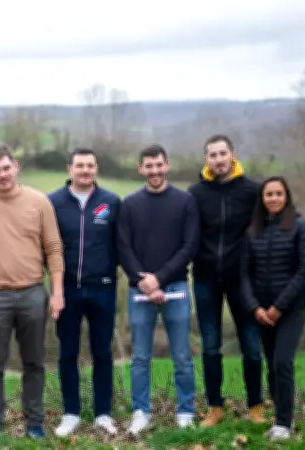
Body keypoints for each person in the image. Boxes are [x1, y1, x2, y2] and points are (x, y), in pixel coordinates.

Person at [0, 144, 65, 440]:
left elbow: (54, 249)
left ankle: (34, 424)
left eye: (6, 168)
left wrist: (56, 291)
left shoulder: (39, 201)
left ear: (16, 167)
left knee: (34, 363)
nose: (2, 174)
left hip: (33, 293)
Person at [117, 144, 200, 436]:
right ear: (140, 168)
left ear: (167, 165)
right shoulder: (129, 204)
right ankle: (141, 413)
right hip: (139, 290)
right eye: (148, 166)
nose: (154, 171)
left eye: (158, 165)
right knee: (140, 357)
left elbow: (189, 246)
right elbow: (123, 248)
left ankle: (186, 412)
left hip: (176, 288)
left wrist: (159, 279)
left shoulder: (185, 201)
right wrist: (143, 280)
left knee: (182, 356)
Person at [187, 134, 265, 427]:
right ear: (206, 159)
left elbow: (265, 231)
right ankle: (215, 407)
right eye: (212, 155)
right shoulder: (195, 193)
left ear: (233, 154)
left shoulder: (252, 191)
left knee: (251, 346)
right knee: (210, 346)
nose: (218, 159)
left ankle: (256, 406)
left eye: (223, 153)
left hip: (242, 280)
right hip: (206, 278)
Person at [47, 147, 122, 437]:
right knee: (68, 353)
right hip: (66, 290)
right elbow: (46, 246)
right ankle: (71, 413)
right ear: (70, 169)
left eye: (90, 165)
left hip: (102, 289)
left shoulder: (111, 202)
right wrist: (55, 288)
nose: (85, 170)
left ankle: (103, 413)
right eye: (79, 166)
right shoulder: (52, 202)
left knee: (102, 353)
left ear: (96, 169)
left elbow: (120, 245)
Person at [240, 175, 305, 442]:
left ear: (286, 197)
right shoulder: (252, 231)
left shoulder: (301, 227)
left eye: (278, 194)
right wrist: (255, 308)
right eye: (268, 194)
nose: (273, 199)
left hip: (290, 311)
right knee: (271, 365)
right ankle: (278, 418)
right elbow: (243, 275)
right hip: (262, 313)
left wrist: (279, 307)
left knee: (283, 362)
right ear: (262, 199)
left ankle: (285, 423)